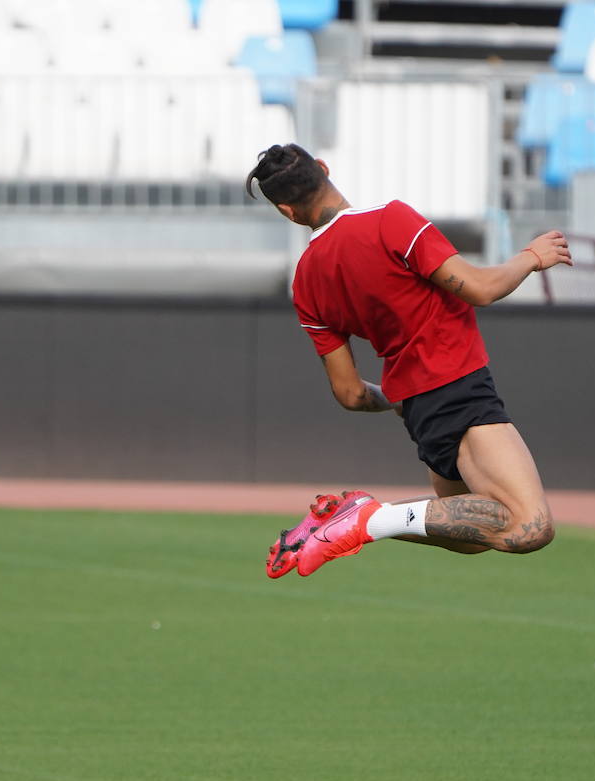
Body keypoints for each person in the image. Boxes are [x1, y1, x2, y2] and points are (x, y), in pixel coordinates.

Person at [245, 143, 574, 578]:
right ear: (324, 168)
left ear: (287, 211)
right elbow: (479, 288)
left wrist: (394, 400)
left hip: (420, 411)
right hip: (457, 386)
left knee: (472, 534)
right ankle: (368, 519)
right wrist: (531, 257)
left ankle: (354, 520)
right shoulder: (390, 220)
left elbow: (350, 393)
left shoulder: (305, 280)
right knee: (529, 525)